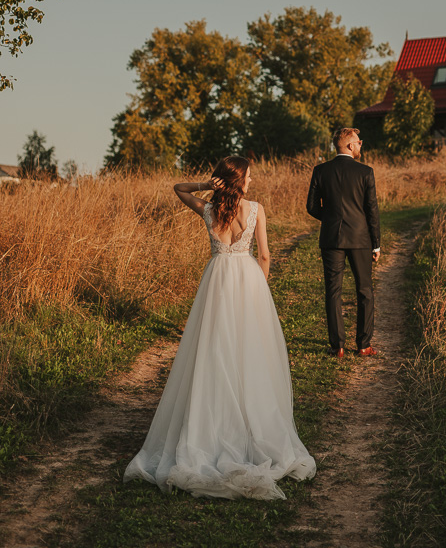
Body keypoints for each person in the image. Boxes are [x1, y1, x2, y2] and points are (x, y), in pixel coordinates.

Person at [124, 156, 316, 500]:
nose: (252, 181)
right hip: (247, 282)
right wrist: (260, 289)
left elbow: (177, 188)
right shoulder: (255, 209)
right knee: (250, 354)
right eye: (249, 176)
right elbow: (266, 256)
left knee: (212, 353)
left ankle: (209, 426)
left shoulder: (208, 210)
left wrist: (204, 185)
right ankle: (248, 425)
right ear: (238, 181)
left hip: (216, 282)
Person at [306, 127, 381, 358]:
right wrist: (376, 243)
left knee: (333, 291)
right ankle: (363, 344)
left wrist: (329, 219)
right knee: (365, 291)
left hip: (331, 238)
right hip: (360, 239)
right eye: (359, 142)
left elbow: (311, 206)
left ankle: (337, 346)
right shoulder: (365, 172)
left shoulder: (320, 170)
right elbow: (372, 211)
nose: (360, 145)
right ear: (350, 145)